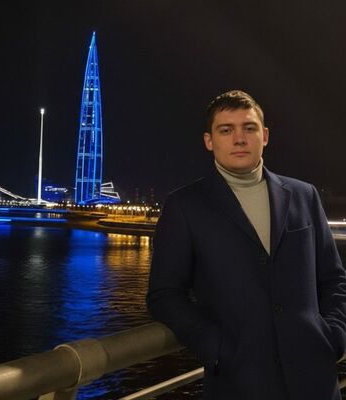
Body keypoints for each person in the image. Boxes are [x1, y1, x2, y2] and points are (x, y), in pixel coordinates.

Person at [146, 90, 346, 400]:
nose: (239, 139)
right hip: (237, 382)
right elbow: (164, 295)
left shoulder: (304, 195)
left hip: (316, 380)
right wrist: (215, 347)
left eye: (249, 128)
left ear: (264, 136)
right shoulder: (185, 206)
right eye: (226, 130)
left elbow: (333, 279)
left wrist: (335, 336)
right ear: (209, 141)